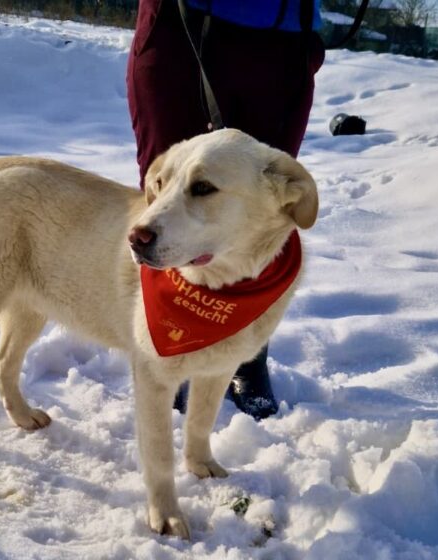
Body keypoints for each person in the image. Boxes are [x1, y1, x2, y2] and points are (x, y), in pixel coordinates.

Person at [127, 0, 325, 420]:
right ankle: (172, 339)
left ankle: (247, 352)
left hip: (282, 31)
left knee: (261, 203)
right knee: (170, 193)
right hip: (180, 20)